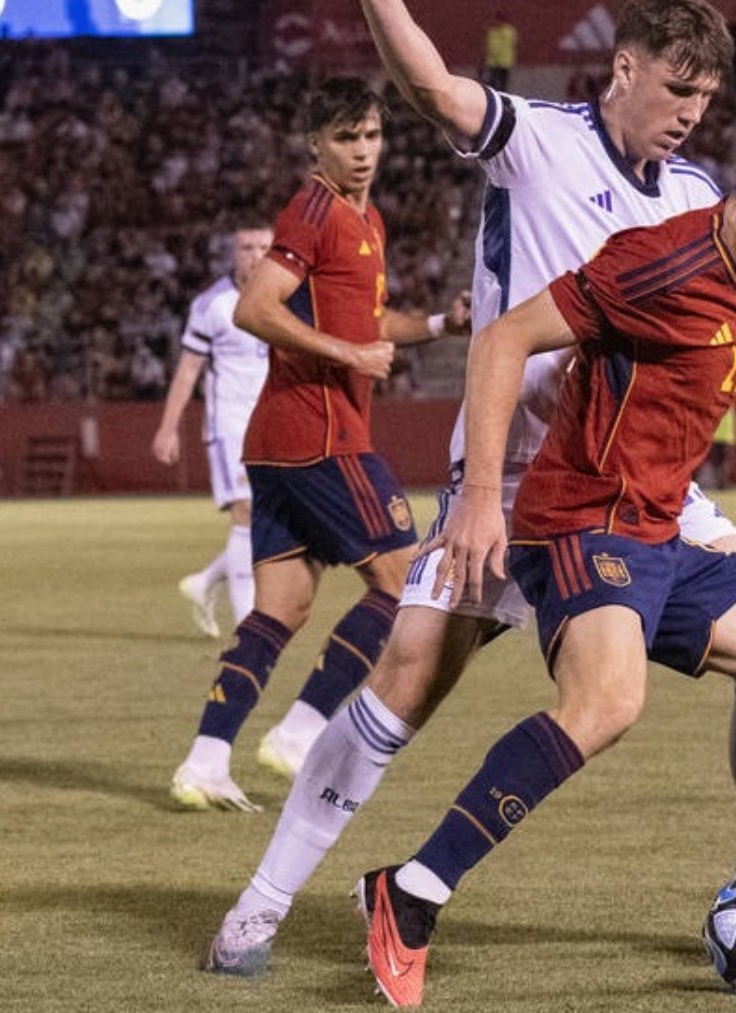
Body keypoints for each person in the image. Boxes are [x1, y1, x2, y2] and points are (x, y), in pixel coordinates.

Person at [355, 95, 736, 1006]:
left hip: (659, 530)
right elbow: (502, 340)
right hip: (581, 524)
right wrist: (482, 499)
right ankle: (409, 895)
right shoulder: (659, 261)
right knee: (607, 703)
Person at [202, 0, 736, 974]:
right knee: (408, 675)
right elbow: (430, 88)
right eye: (678, 88)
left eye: (707, 95)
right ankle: (259, 905)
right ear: (624, 70)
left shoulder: (702, 194)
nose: (691, 112)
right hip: (506, 477)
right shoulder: (537, 140)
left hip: (634, 486)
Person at [168, 78, 464, 813]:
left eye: (370, 136)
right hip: (319, 435)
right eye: (345, 139)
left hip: (277, 442)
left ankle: (205, 760)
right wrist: (344, 353)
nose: (362, 152)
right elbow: (252, 307)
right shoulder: (312, 208)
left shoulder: (367, 218)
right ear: (315, 145)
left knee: (281, 610)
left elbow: (371, 321)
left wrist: (436, 324)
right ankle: (301, 731)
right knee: (402, 583)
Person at [152, 225, 274, 638]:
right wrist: (168, 429)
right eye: (246, 247)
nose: (255, 255)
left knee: (274, 523)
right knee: (246, 512)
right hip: (230, 425)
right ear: (233, 253)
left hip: (274, 424)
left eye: (263, 247)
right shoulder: (213, 304)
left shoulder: (285, 296)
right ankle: (248, 627)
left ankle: (205, 582)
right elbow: (188, 370)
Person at [482, 13, 516, 92]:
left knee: (503, 84)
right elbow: (488, 46)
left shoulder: (509, 32)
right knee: (492, 84)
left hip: (505, 62)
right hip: (493, 62)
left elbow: (511, 45)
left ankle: (502, 101)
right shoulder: (492, 32)